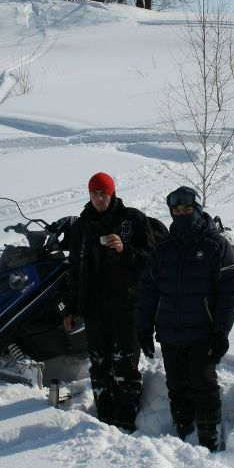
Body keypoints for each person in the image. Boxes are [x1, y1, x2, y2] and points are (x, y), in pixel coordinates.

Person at [136, 186, 234, 451]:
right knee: (176, 387)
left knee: (203, 385)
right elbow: (148, 290)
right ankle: (183, 435)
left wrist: (221, 332)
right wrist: (144, 328)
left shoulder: (216, 245)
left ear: (197, 209)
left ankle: (210, 439)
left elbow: (230, 292)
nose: (182, 213)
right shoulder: (163, 248)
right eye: (177, 210)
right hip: (170, 332)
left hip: (203, 334)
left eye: (187, 209)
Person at [63, 172, 154, 432]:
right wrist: (71, 307)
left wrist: (125, 250)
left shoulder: (133, 219)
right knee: (100, 364)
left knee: (124, 364)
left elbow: (151, 261)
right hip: (94, 308)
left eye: (103, 193)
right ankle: (104, 421)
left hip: (126, 305)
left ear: (112, 193)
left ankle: (125, 422)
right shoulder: (82, 226)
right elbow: (74, 270)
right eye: (94, 193)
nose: (99, 198)